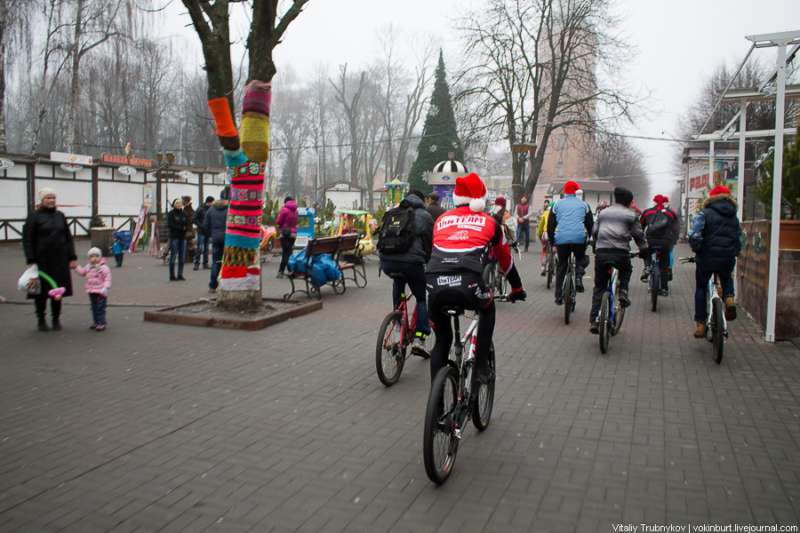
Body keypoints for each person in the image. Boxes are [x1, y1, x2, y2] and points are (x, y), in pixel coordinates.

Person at [427, 173, 526, 384]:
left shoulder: (441, 220)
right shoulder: (490, 223)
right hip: (468, 284)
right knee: (488, 308)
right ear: (481, 200)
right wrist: (517, 288)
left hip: (433, 285)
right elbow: (506, 262)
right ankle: (481, 366)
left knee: (442, 341)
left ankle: (437, 406)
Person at [378, 189, 434, 355]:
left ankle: (397, 330)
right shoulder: (424, 216)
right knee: (422, 298)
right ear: (422, 199)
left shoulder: (393, 212)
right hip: (412, 264)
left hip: (387, 262)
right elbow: (430, 243)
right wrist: (428, 261)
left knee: (399, 285)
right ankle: (419, 338)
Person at [589, 187, 648, 333]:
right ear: (629, 201)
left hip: (602, 252)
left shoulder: (603, 213)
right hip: (620, 252)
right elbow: (638, 235)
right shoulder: (631, 215)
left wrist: (595, 246)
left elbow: (594, 232)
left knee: (599, 287)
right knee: (627, 269)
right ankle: (623, 292)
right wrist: (644, 249)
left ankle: (595, 321)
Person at [689, 185, 741, 338]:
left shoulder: (704, 214)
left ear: (711, 198)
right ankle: (729, 298)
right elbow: (738, 238)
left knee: (701, 287)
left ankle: (700, 324)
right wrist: (735, 252)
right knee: (726, 277)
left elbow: (695, 235)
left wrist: (697, 249)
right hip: (727, 257)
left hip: (707, 257)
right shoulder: (734, 216)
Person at [22, 188, 77, 331]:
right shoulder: (34, 216)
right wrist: (31, 259)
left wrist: (72, 257)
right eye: (48, 198)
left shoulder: (60, 216)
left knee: (57, 291)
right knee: (40, 292)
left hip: (60, 260)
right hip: (41, 261)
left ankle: (56, 319)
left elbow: (68, 238)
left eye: (53, 197)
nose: (51, 200)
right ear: (42, 200)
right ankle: (41, 319)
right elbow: (27, 239)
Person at [547, 180, 593, 302]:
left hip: (561, 239)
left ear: (565, 191)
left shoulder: (556, 204)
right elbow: (590, 224)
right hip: (579, 238)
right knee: (580, 258)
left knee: (562, 265)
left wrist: (553, 242)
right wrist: (590, 238)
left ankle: (558, 296)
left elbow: (550, 225)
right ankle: (578, 276)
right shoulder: (584, 205)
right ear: (576, 191)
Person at [640, 194, 680, 294]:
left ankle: (647, 267)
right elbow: (676, 228)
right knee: (664, 264)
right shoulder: (670, 213)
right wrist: (674, 240)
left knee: (647, 252)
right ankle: (664, 288)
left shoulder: (647, 212)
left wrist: (641, 239)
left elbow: (641, 226)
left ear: (654, 201)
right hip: (665, 241)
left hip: (651, 240)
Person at [74, 247, 112, 331]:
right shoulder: (88, 266)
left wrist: (106, 287)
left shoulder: (104, 267)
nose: (94, 258)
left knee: (100, 308)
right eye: (91, 256)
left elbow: (107, 278)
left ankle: (101, 323)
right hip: (91, 291)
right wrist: (76, 267)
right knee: (94, 307)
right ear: (89, 258)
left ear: (100, 257)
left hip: (101, 292)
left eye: (96, 256)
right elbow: (82, 272)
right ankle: (96, 322)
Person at [204, 187, 229, 293]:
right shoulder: (229, 209)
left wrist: (212, 234)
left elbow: (206, 225)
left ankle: (212, 285)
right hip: (228, 239)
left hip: (215, 239)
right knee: (227, 262)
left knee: (215, 262)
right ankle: (226, 284)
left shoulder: (211, 209)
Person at [276, 196, 299, 278]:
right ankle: (288, 271)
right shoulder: (296, 211)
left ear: (285, 202)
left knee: (286, 253)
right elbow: (296, 221)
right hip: (293, 235)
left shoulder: (284, 210)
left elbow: (278, 221)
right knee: (289, 252)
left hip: (285, 234)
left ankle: (284, 271)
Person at [167, 198, 189, 281]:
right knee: (173, 256)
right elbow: (170, 225)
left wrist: (184, 228)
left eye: (180, 203)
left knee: (182, 257)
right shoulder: (171, 214)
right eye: (177, 203)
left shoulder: (184, 213)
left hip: (183, 238)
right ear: (174, 204)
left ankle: (180, 274)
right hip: (174, 237)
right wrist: (180, 228)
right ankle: (172, 275)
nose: (179, 205)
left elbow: (186, 224)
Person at [193, 196, 214, 271]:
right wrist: (201, 226)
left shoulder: (211, 209)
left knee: (206, 249)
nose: (212, 204)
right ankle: (196, 264)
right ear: (209, 202)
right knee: (199, 248)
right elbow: (194, 219)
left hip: (208, 232)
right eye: (212, 202)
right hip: (201, 231)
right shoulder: (200, 208)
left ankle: (205, 263)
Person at [536, 201, 552, 276]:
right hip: (555, 234)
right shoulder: (558, 214)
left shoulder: (545, 213)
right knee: (557, 249)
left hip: (545, 234)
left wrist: (539, 235)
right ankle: (555, 261)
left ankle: (543, 267)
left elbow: (540, 226)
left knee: (544, 250)